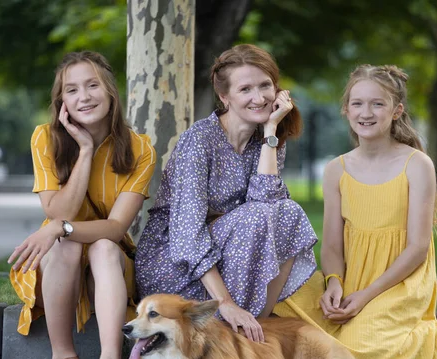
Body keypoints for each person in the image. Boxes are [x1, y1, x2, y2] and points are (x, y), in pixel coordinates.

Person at [273, 64, 437, 359]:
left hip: (397, 283)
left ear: (396, 110)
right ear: (346, 110)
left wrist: (364, 297)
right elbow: (332, 245)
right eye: (358, 103)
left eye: (378, 104)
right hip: (351, 280)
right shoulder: (337, 170)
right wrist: (334, 283)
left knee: (359, 350)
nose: (367, 112)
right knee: (280, 308)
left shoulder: (416, 165)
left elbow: (417, 248)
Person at [134, 44, 317, 342]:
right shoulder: (200, 140)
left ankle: (258, 327)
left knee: (289, 212)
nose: (259, 98)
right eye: (245, 89)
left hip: (229, 253)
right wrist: (226, 304)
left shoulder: (267, 139)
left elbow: (270, 206)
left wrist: (271, 132)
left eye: (265, 86)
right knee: (259, 215)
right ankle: (236, 319)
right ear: (225, 96)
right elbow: (187, 235)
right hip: (176, 265)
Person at [8, 51, 156, 359]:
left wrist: (61, 228)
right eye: (71, 90)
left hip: (110, 262)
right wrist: (85, 151)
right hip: (58, 256)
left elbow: (116, 227)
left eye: (93, 85)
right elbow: (58, 211)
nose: (84, 96)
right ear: (62, 102)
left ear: (110, 92)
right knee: (67, 244)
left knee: (101, 246)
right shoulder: (45, 137)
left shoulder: (140, 149)